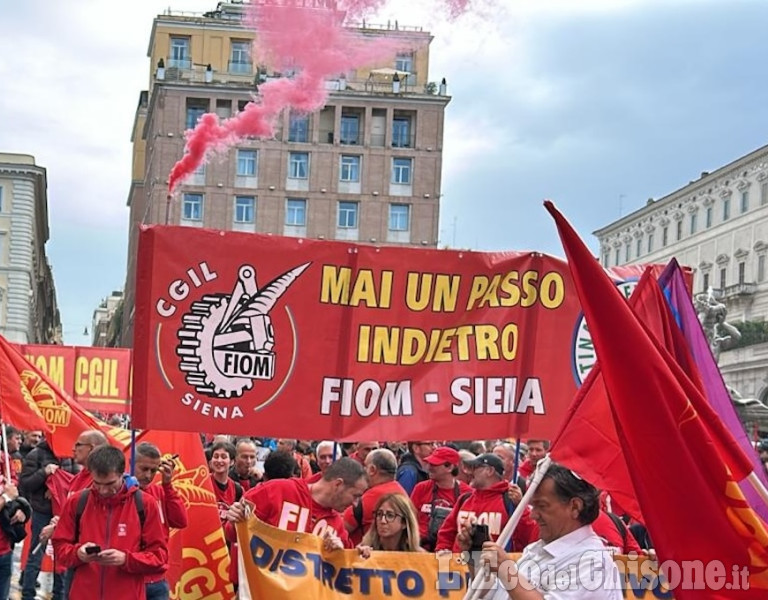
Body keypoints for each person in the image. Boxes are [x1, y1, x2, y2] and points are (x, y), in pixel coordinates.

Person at [459, 463, 622, 599]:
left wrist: (507, 572)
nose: (533, 514)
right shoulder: (537, 550)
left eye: (541, 506)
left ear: (574, 507)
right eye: (533, 505)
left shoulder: (593, 563)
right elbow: (496, 595)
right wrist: (476, 557)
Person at [51, 446, 168, 600]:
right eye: (97, 483)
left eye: (110, 484)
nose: (103, 490)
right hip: (83, 593)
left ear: (122, 473)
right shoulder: (78, 501)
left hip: (127, 594)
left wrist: (126, 559)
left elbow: (159, 555)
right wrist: (78, 553)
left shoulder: (145, 504)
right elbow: (60, 546)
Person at [226, 457, 367, 547]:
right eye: (355, 495)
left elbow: (345, 566)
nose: (355, 504)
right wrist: (234, 521)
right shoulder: (277, 490)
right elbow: (232, 535)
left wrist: (344, 555)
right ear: (338, 484)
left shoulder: (337, 525)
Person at [435, 453, 535, 553]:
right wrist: (442, 552)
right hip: (459, 565)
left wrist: (521, 507)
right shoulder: (465, 499)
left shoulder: (510, 500)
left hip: (495, 565)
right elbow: (447, 533)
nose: (470, 472)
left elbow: (528, 535)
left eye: (475, 467)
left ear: (490, 471)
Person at [19, 435, 77, 600]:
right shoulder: (35, 454)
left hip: (62, 511)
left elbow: (75, 481)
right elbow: (25, 483)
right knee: (36, 553)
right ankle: (27, 593)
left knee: (62, 554)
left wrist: (58, 490)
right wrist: (44, 474)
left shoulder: (68, 456)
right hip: (41, 511)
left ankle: (59, 594)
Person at [134, 442, 189, 600]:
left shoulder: (160, 490)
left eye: (153, 470)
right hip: (131, 579)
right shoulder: (121, 493)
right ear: (131, 464)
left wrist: (167, 485)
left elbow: (181, 521)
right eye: (144, 469)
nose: (148, 475)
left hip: (158, 580)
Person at [410, 446, 472, 550]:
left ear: (450, 467)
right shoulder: (421, 488)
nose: (429, 467)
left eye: (434, 464)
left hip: (450, 551)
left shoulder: (467, 493)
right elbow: (409, 518)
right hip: (420, 549)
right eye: (429, 463)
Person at [343, 448, 408, 545]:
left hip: (365, 555)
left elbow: (342, 527)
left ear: (372, 470)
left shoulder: (371, 497)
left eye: (365, 466)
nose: (363, 470)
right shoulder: (402, 492)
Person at [357, 493, 424, 556]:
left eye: (390, 515)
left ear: (404, 523)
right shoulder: (365, 549)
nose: (383, 521)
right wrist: (359, 557)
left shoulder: (418, 555)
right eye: (379, 514)